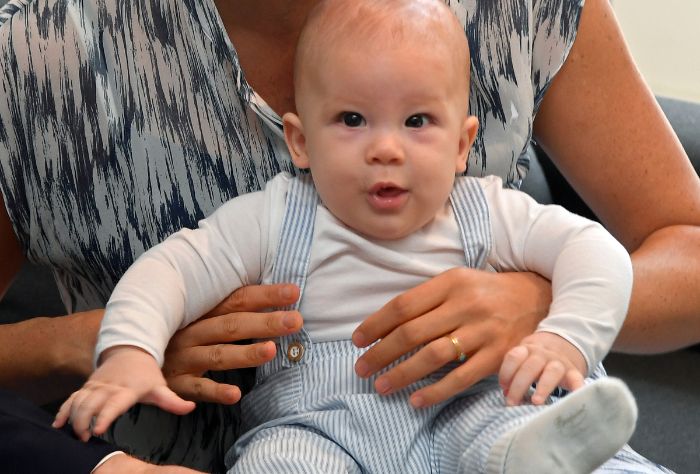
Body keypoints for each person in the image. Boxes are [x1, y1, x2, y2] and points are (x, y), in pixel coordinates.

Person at [0, 0, 697, 471]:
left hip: (482, 409)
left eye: (418, 123)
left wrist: (549, 315)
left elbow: (663, 241)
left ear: (465, 143)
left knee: (523, 441)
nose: (386, 151)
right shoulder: (36, 53)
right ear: (299, 139)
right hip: (313, 422)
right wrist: (115, 346)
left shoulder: (488, 206)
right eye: (353, 122)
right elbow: (173, 270)